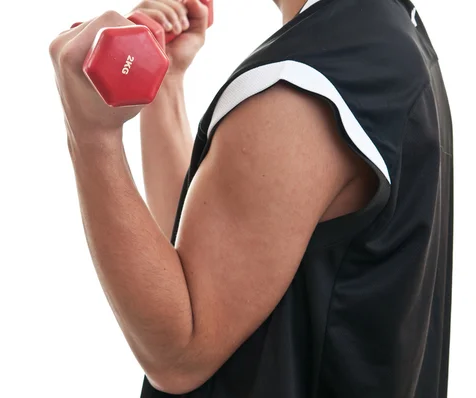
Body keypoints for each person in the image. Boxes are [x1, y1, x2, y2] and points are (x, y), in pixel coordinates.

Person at [48, 0, 453, 396]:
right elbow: (210, 262)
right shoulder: (385, 37)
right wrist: (165, 84)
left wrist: (90, 135)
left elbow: (179, 355)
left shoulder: (305, 82)